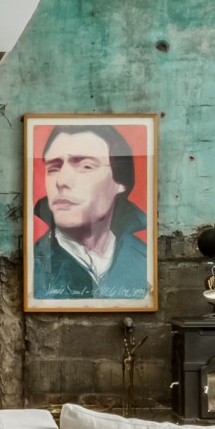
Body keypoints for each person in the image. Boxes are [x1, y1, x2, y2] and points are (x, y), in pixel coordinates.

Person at [31, 122, 151, 301]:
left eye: (86, 166)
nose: (61, 181)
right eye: (53, 168)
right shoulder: (35, 263)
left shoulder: (143, 259)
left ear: (120, 182)